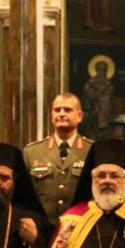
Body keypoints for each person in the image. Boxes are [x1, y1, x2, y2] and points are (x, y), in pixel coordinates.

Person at [23, 93, 93, 227]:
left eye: (67, 110)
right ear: (51, 116)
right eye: (57, 110)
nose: (61, 114)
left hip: (80, 228)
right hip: (43, 229)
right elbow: (26, 196)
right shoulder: (32, 152)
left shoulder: (91, 150)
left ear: (79, 116)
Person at [82, 59, 115, 139]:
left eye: (104, 70)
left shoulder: (108, 84)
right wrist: (93, 100)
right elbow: (86, 95)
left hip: (104, 111)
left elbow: (110, 95)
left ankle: (103, 127)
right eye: (100, 69)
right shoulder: (90, 83)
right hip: (92, 108)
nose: (102, 72)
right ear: (96, 70)